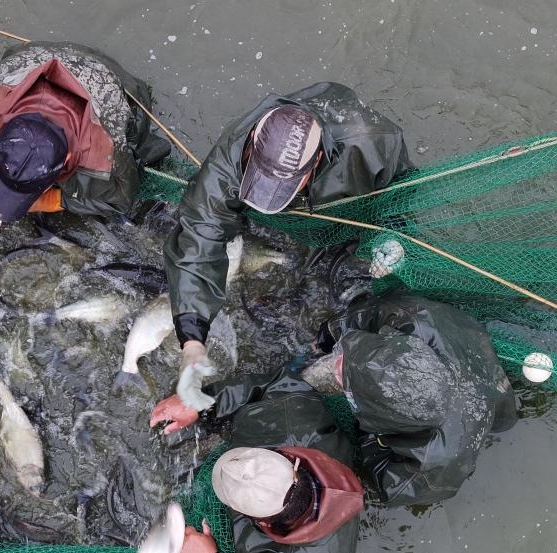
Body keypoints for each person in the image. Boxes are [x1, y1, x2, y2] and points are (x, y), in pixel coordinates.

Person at [163, 82, 413, 411]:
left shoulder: (371, 144)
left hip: (341, 200)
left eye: (284, 186)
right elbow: (199, 235)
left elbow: (402, 189)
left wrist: (395, 233)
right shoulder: (231, 159)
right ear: (253, 143)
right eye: (263, 180)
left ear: (318, 160)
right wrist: (192, 339)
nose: (273, 192)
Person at [153, 291, 518, 506]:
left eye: (344, 371)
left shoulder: (425, 472)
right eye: (350, 354)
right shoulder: (417, 319)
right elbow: (365, 317)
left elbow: (380, 479)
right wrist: (328, 338)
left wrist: (370, 436)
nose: (337, 362)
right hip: (469, 362)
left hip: (483, 407)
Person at [0, 41, 171, 248]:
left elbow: (118, 200)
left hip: (116, 86)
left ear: (70, 157)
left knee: (131, 158)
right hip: (41, 56)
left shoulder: (103, 159)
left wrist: (54, 201)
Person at [175, 374, 364, 553]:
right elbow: (276, 383)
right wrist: (200, 403)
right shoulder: (295, 423)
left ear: (262, 522)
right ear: (288, 462)